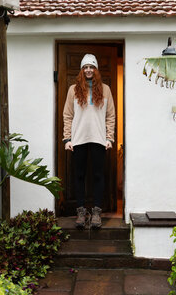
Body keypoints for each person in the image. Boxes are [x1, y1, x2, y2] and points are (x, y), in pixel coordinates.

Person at [62, 54, 115, 229]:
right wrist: (67, 138)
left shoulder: (105, 89)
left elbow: (110, 116)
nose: (89, 70)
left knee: (99, 176)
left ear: (96, 70)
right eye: (85, 67)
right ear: (81, 70)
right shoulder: (73, 89)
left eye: (92, 67)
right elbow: (68, 115)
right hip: (78, 140)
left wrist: (109, 137)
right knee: (79, 176)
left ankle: (97, 213)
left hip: (99, 139)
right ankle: (81, 212)